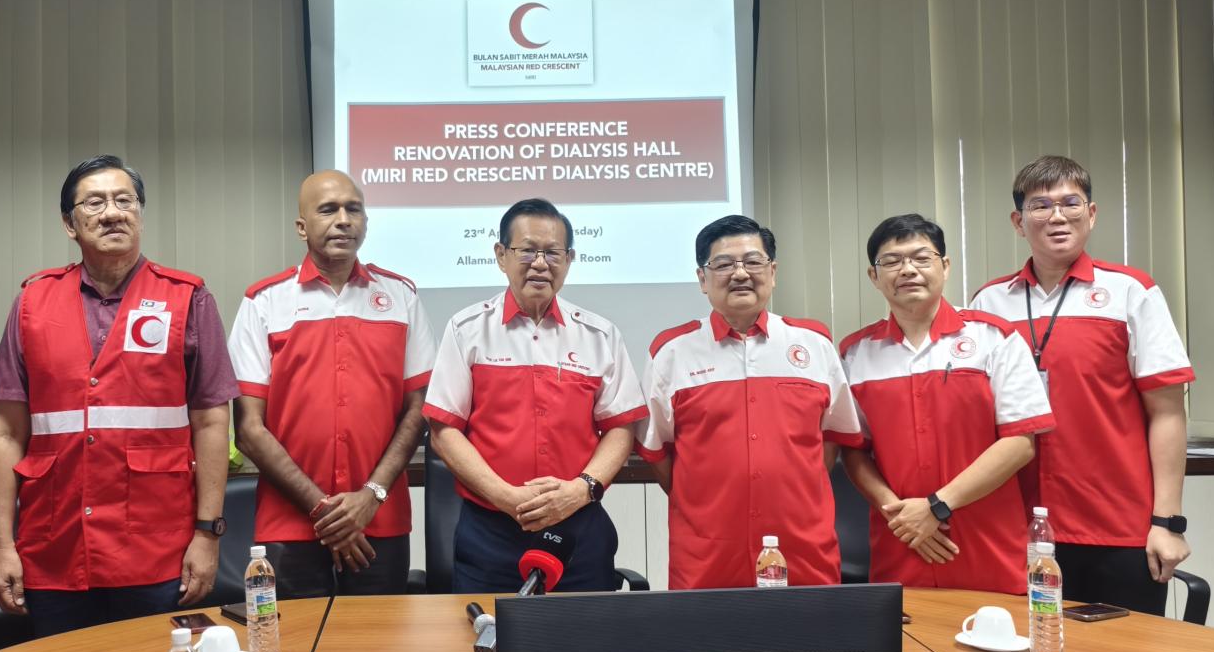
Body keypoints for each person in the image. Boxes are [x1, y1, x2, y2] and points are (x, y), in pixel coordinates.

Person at [0, 156, 237, 636]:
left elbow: (211, 422)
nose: (113, 212)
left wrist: (208, 535)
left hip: (156, 549)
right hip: (54, 548)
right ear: (69, 224)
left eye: (125, 200)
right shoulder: (33, 303)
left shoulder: (188, 298)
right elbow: (5, 432)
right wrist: (2, 547)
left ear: (140, 214)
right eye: (94, 203)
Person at [968, 155, 1196, 613]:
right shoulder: (989, 302)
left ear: (1091, 214)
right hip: (1017, 527)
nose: (1057, 216)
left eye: (1070, 203)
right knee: (1031, 650)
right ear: (1018, 222)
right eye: (1040, 206)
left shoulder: (1131, 292)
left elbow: (1168, 412)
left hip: (1116, 526)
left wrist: (1167, 522)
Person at [423, 197, 646, 593]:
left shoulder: (599, 335)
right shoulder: (467, 329)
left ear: (569, 259)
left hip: (578, 527)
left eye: (553, 252)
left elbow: (620, 429)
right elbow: (443, 431)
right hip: (490, 531)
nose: (540, 263)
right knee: (484, 630)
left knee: (585, 632)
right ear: (501, 255)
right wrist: (508, 498)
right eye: (527, 251)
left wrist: (580, 490)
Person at [229, 172, 435, 597]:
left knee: (378, 639)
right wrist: (324, 510)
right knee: (294, 641)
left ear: (366, 221)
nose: (343, 220)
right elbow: (248, 429)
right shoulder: (264, 301)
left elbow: (419, 411)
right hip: (289, 525)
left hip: (379, 520)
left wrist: (371, 496)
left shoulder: (401, 297)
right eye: (328, 210)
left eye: (353, 209)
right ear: (302, 227)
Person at [640, 214, 860, 589]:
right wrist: (704, 499)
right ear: (702, 279)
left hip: (803, 547)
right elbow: (658, 452)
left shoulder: (814, 344)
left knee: (811, 628)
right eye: (724, 264)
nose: (740, 273)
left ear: (772, 272)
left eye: (753, 262)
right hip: (707, 554)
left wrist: (791, 485)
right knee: (705, 629)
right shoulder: (672, 351)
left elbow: (832, 439)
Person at [837, 216, 1053, 595]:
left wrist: (936, 507)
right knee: (904, 632)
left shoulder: (994, 338)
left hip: (987, 546)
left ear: (945, 266)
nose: (908, 270)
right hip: (901, 545)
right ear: (874, 276)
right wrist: (902, 517)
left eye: (922, 258)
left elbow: (1020, 443)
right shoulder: (855, 353)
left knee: (995, 631)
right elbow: (854, 451)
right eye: (892, 261)